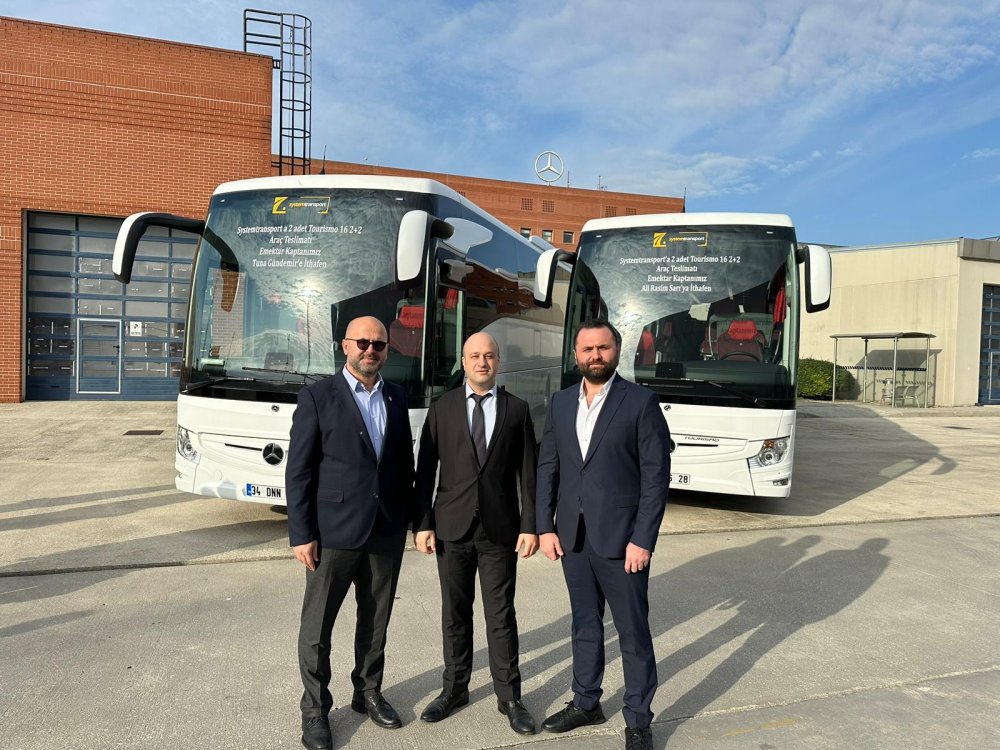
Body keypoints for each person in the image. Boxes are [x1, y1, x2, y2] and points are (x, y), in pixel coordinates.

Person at [535, 319, 671, 750]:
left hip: (622, 541)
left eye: (603, 347)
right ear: (576, 354)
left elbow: (656, 477)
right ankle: (586, 701)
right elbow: (548, 466)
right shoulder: (560, 402)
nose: (595, 355)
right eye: (587, 349)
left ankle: (638, 720)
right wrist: (544, 526)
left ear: (617, 350)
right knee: (584, 624)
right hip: (572, 537)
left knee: (632, 632)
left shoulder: (641, 402)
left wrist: (643, 539)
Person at [286, 315, 417, 750]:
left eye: (379, 344)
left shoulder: (396, 396)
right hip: (332, 534)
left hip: (385, 532)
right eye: (362, 342)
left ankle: (368, 692)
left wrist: (412, 520)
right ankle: (315, 710)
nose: (370, 350)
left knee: (376, 621)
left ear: (387, 350)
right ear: (345, 346)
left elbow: (402, 465)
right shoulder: (317, 397)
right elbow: (299, 472)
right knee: (317, 629)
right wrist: (301, 532)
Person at [413, 331, 539, 735]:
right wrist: (422, 523)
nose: (482, 362)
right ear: (463, 362)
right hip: (451, 528)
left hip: (500, 531)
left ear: (498, 362)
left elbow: (529, 475)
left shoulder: (517, 410)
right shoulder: (442, 408)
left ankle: (510, 697)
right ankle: (454, 689)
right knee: (455, 614)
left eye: (489, 356)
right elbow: (424, 472)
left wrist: (531, 525)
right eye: (474, 356)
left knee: (500, 616)